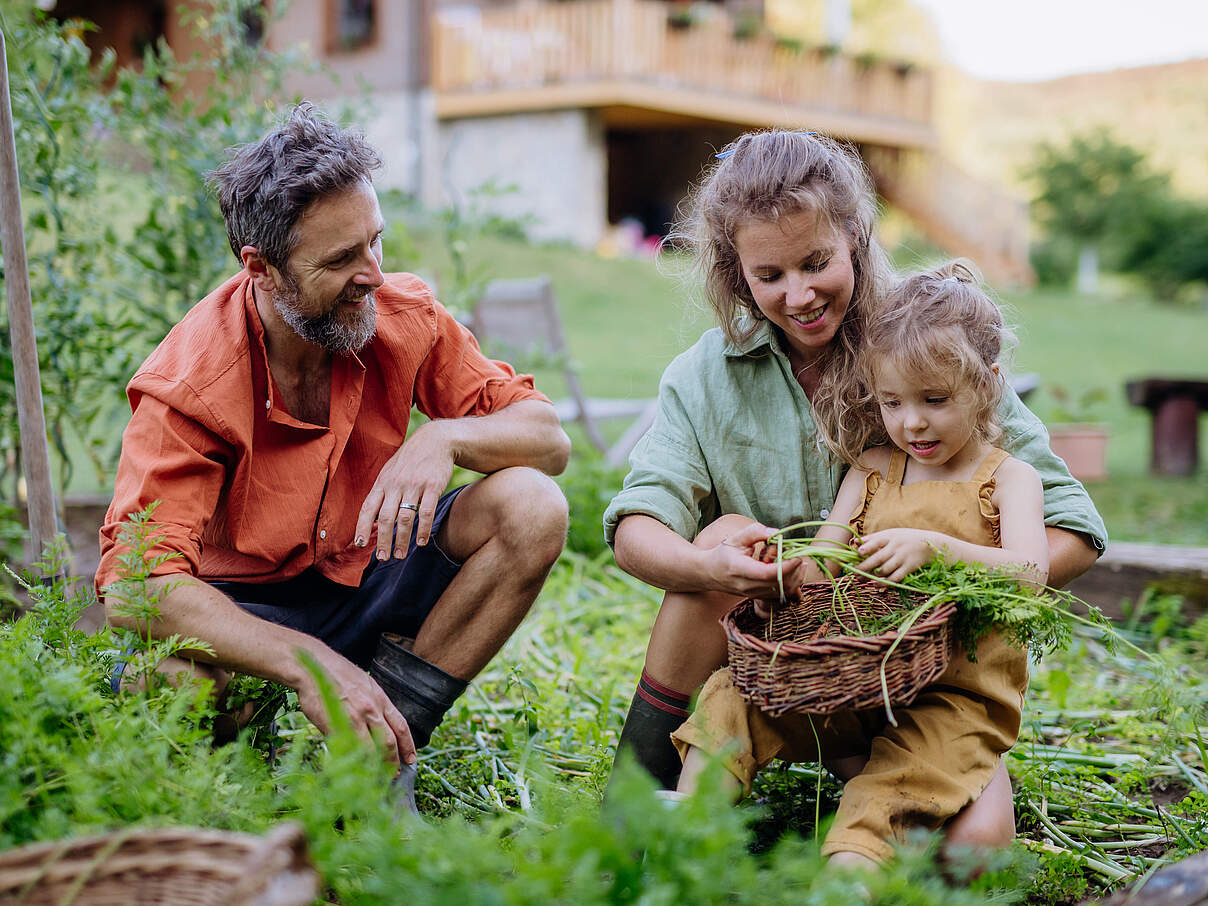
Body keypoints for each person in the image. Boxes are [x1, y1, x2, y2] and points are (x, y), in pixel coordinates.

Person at [603, 130, 1106, 811]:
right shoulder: (705, 374)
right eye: (770, 275)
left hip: (921, 667)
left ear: (855, 239)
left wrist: (945, 581)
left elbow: (1073, 529)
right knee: (720, 537)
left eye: (816, 262)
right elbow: (638, 525)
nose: (800, 294)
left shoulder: (925, 343)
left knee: (968, 852)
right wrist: (711, 569)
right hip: (781, 657)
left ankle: (868, 782)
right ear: (737, 273)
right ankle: (639, 792)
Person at [96, 105, 571, 808]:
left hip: (366, 577)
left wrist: (444, 437)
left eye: (374, 243)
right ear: (261, 269)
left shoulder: (404, 318)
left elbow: (549, 440)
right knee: (163, 684)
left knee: (532, 506)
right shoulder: (191, 386)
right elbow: (136, 586)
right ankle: (243, 799)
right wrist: (308, 663)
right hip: (248, 612)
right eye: (341, 259)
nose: (372, 275)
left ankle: (382, 759)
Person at [673, 261, 1047, 867]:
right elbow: (825, 563)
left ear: (989, 384)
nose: (911, 422)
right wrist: (783, 568)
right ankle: (683, 842)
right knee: (732, 696)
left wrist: (938, 548)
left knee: (904, 811)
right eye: (892, 402)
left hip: (951, 702)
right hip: (854, 686)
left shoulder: (1008, 478)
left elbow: (1031, 574)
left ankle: (850, 871)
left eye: (934, 400)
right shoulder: (873, 466)